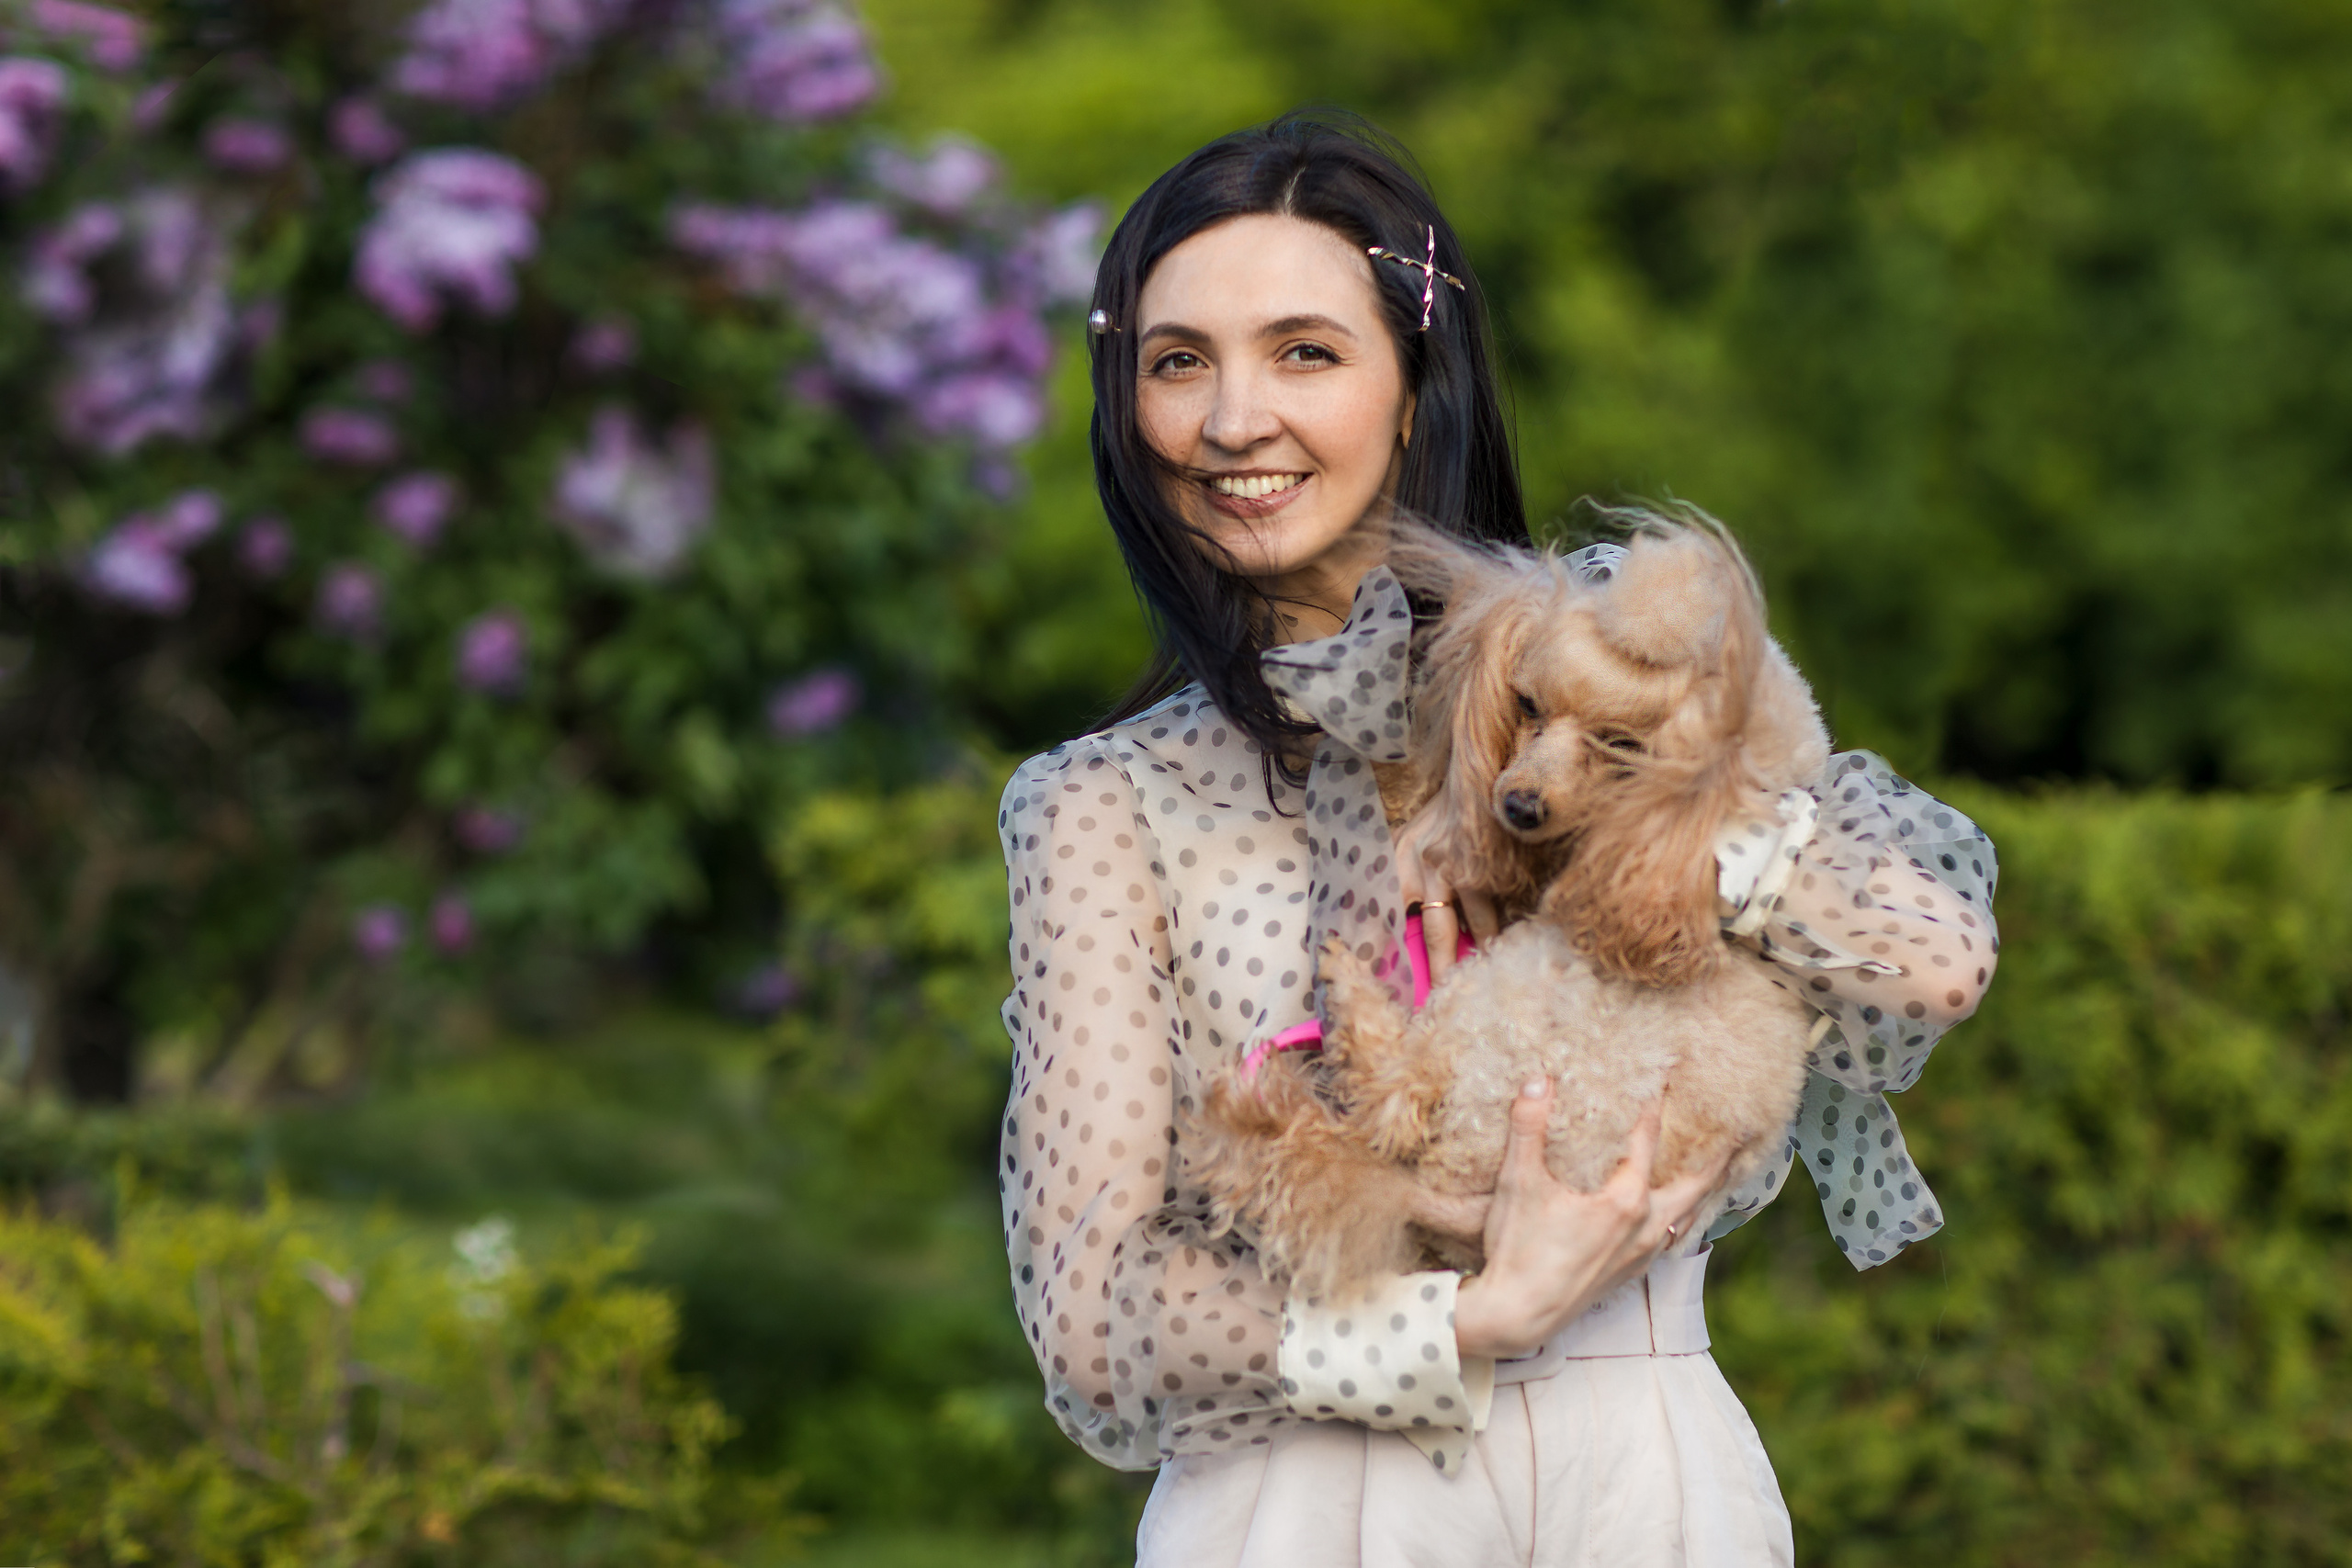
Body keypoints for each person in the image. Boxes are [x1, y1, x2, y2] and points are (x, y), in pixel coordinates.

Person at [996, 112, 1998, 1567]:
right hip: (1299, 1500)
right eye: (1176, 361)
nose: (1230, 422)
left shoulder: (1591, 651)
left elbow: (1931, 960)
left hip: (1643, 1474)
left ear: (1413, 386)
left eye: (1305, 352)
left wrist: (1609, 822)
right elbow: (1092, 1320)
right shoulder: (1099, 804)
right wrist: (1461, 1320)